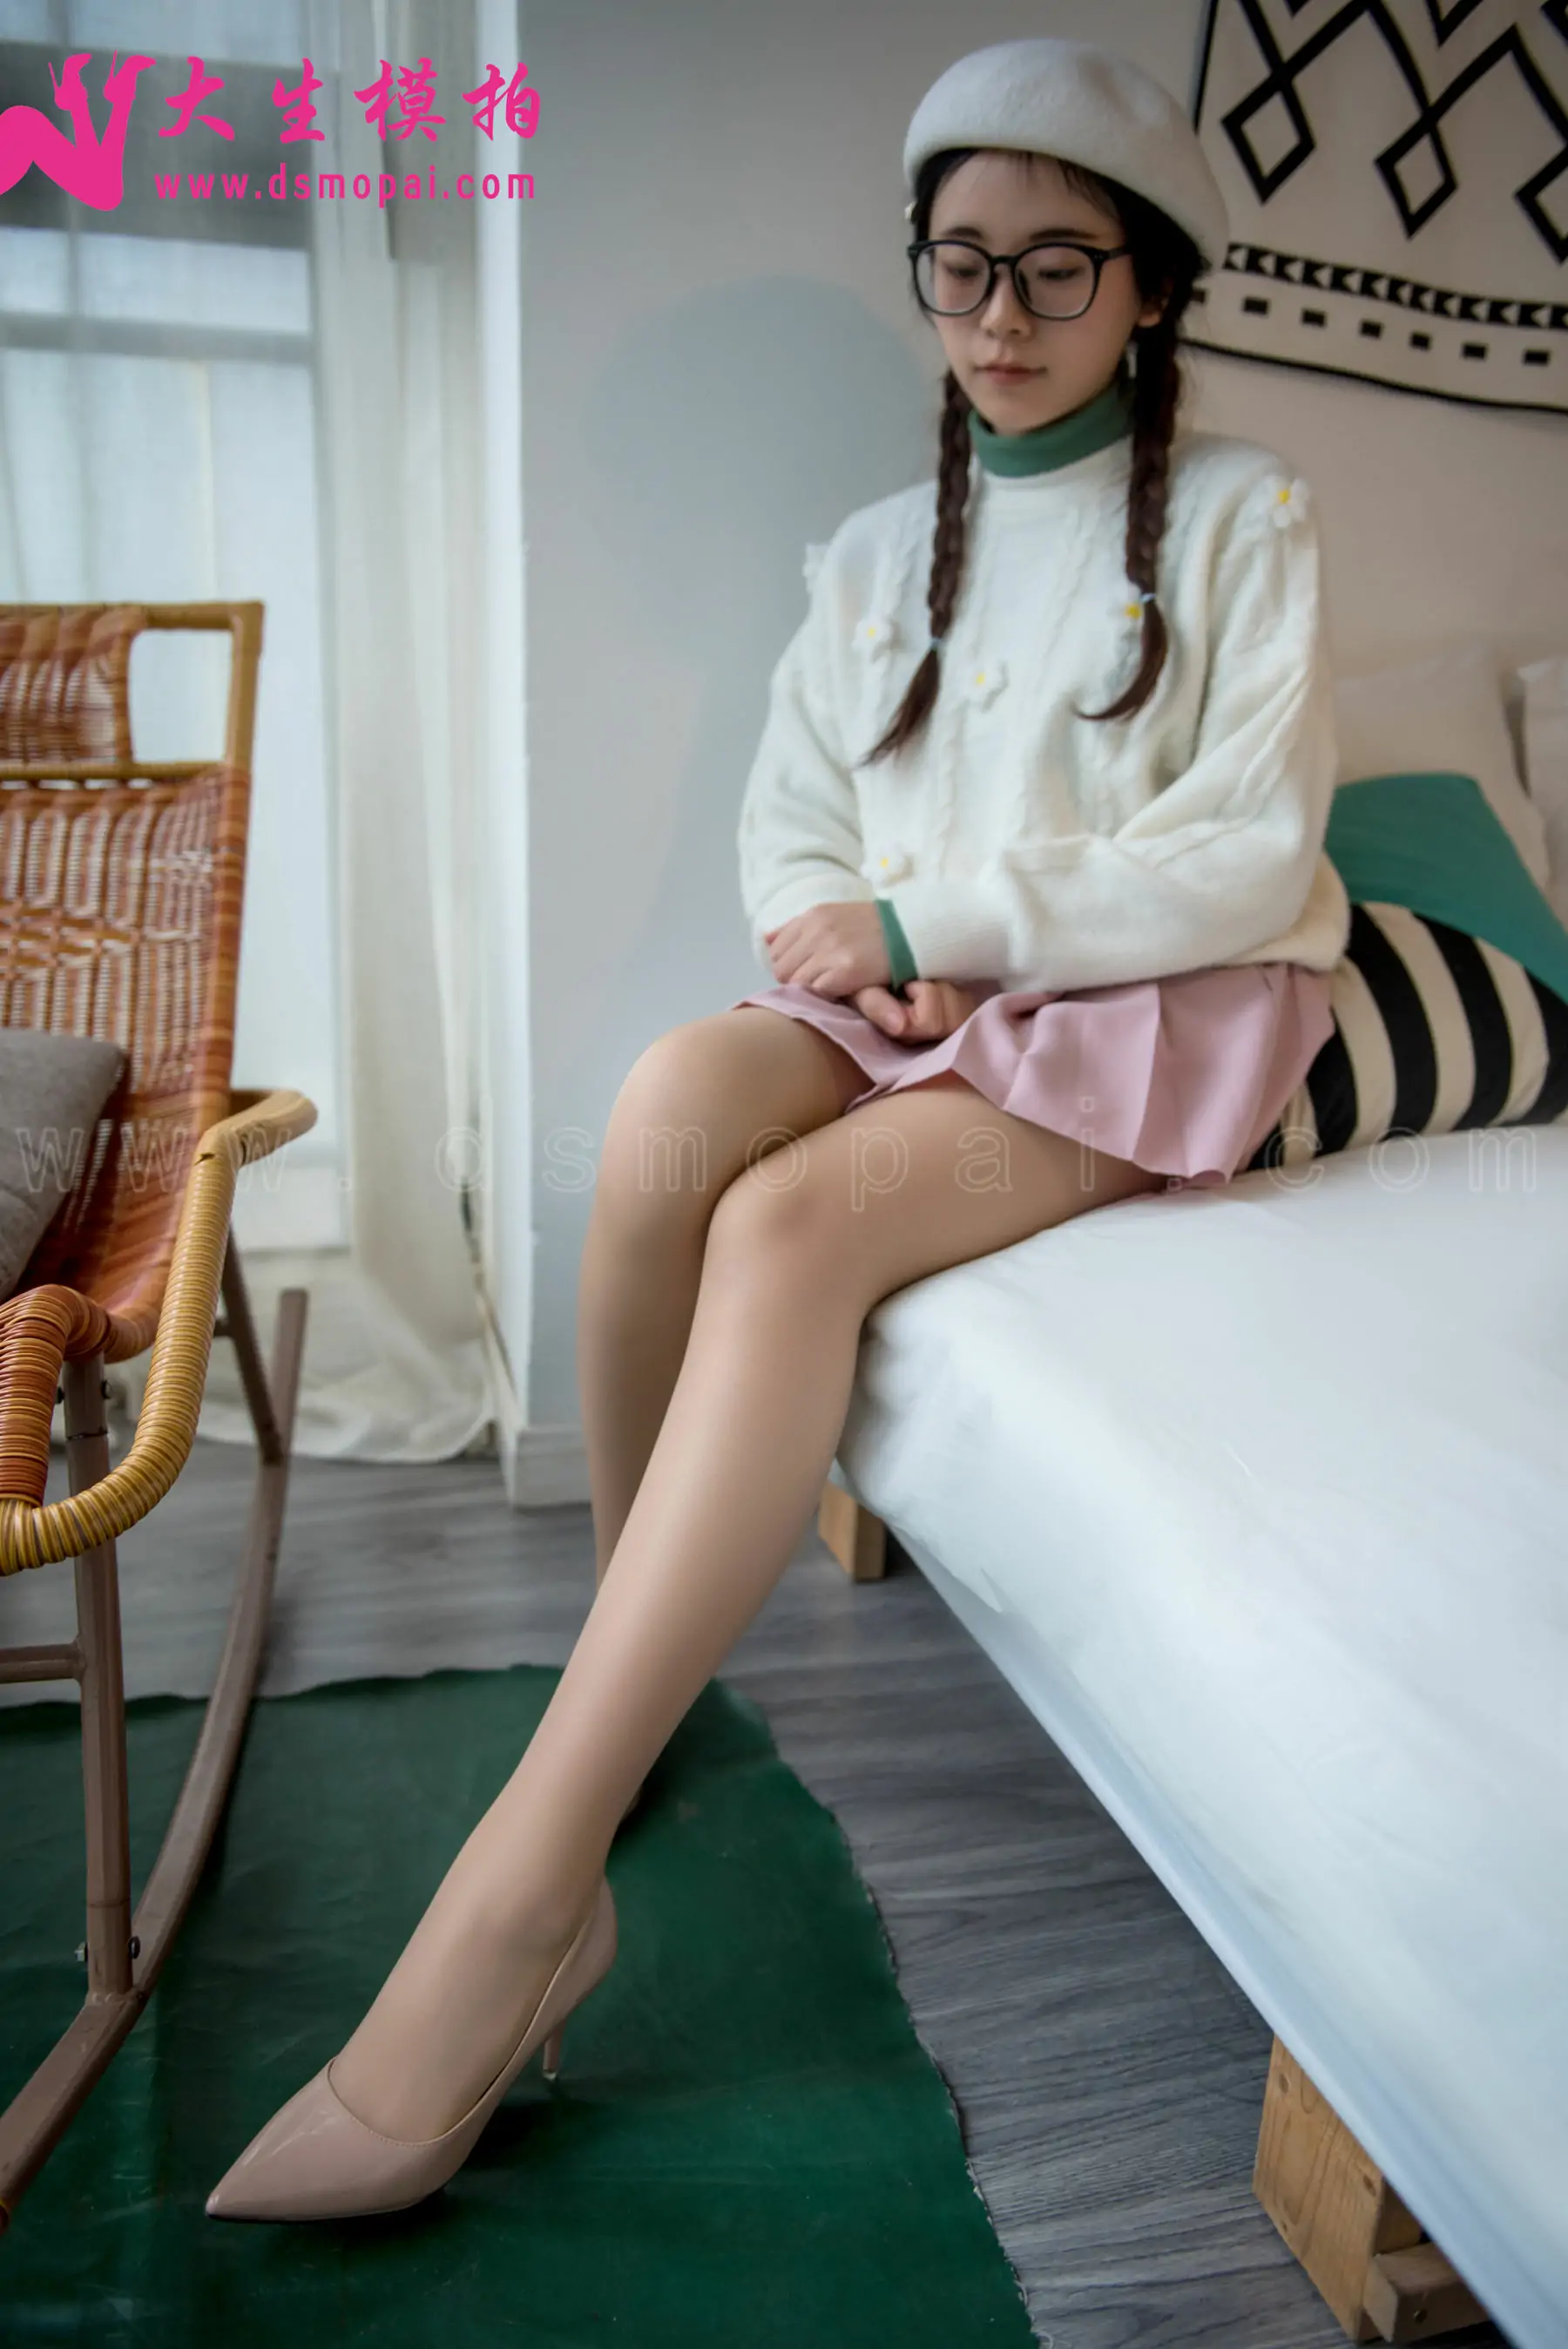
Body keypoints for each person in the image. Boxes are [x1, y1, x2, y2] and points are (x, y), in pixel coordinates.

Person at [205, 35, 1351, 2223]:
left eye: (1057, 265)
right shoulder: (869, 552)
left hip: (1153, 996)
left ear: (1149, 286)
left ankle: (526, 1896)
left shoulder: (1242, 515)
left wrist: (952, 925)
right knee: (663, 1115)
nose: (1000, 313)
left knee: (792, 1228)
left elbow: (1246, 849)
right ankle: (625, 1677)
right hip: (912, 989)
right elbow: (795, 821)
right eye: (960, 263)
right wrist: (865, 953)